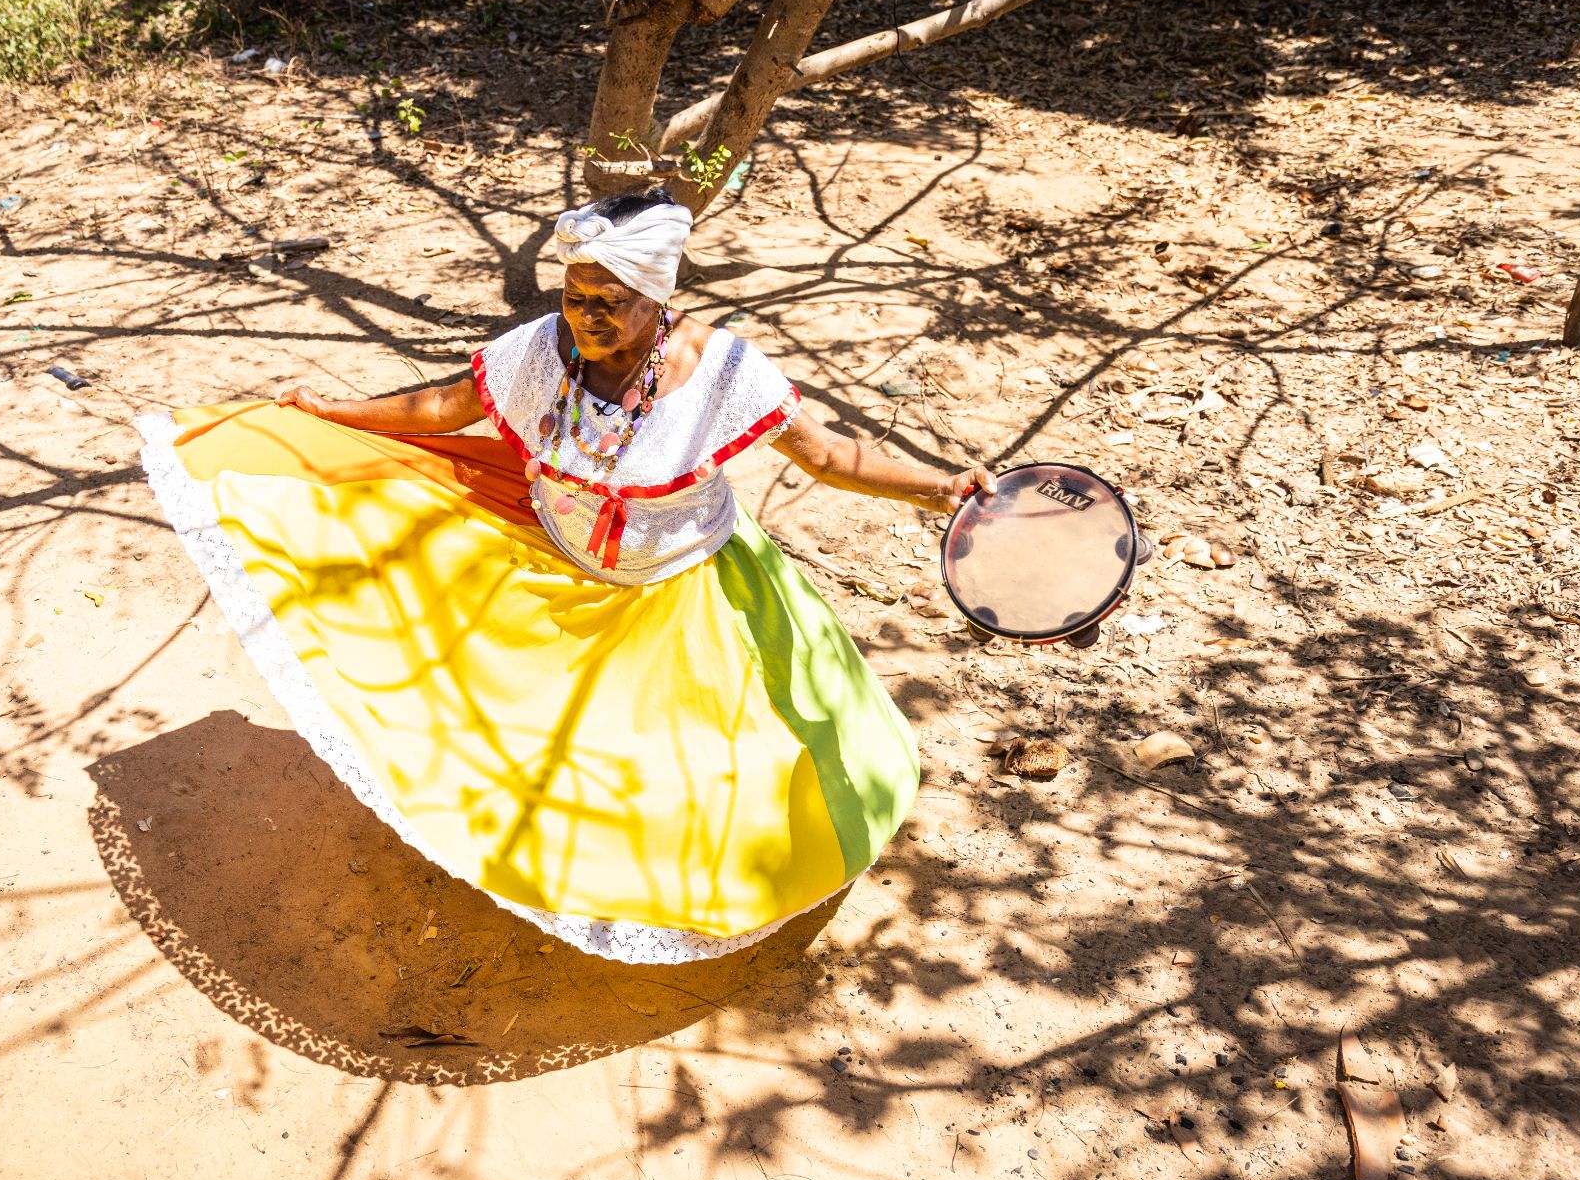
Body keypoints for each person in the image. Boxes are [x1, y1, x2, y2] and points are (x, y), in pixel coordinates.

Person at [136, 188, 994, 965]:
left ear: (659, 298)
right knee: (507, 724)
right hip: (551, 555)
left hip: (682, 592)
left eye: (610, 304)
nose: (586, 318)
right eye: (575, 298)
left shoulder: (728, 374)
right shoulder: (544, 349)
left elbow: (831, 460)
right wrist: (331, 412)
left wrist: (939, 485)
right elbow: (444, 408)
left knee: (691, 779)